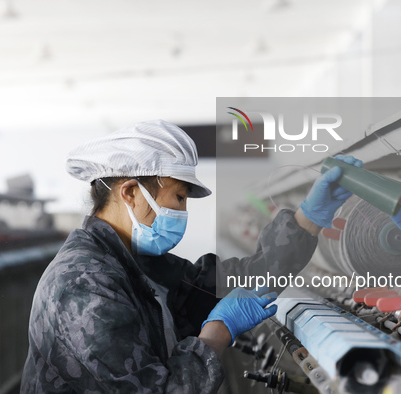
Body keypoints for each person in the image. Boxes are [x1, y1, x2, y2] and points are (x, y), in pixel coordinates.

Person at [21, 119, 362, 393]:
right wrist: (218, 330)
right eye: (180, 197)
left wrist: (308, 219)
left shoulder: (139, 263)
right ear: (130, 192)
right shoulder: (84, 284)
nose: (183, 211)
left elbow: (243, 279)